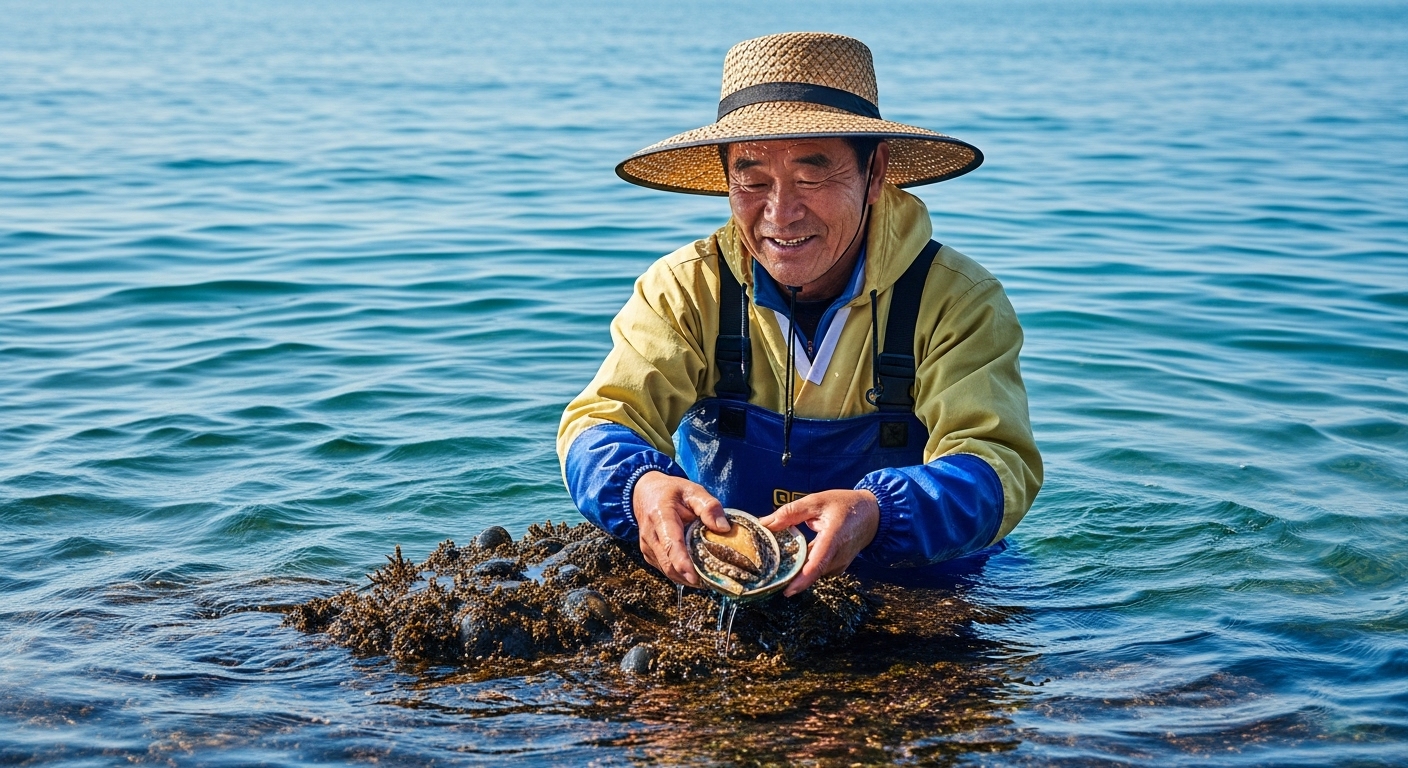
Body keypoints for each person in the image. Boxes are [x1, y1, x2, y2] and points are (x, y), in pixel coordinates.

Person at [558, 32, 1042, 596]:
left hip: (925, 584)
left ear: (876, 171)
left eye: (813, 176)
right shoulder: (685, 287)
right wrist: (641, 488)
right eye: (753, 180)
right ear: (725, 179)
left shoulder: (957, 298)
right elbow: (597, 421)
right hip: (726, 577)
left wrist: (878, 512)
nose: (780, 215)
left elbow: (995, 462)